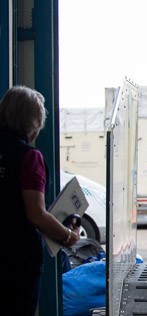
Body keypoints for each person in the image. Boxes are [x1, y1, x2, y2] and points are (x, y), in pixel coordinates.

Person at [0, 85, 81, 314]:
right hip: (15, 258)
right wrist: (67, 236)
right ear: (33, 123)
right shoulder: (29, 157)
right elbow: (36, 214)